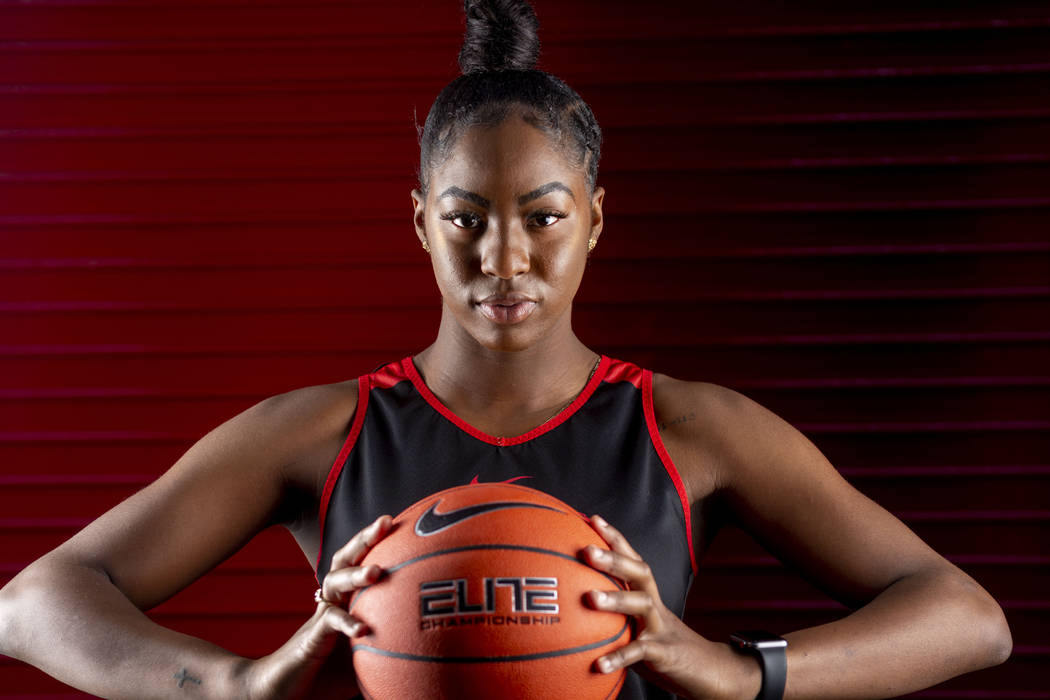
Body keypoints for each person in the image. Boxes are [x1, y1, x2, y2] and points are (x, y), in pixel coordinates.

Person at [0, 1, 1012, 698]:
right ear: (418, 224)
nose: (504, 256)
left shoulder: (688, 428)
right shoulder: (327, 432)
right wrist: (239, 681)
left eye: (543, 216)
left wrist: (740, 672)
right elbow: (31, 602)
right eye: (464, 219)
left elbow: (967, 617)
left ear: (598, 221)